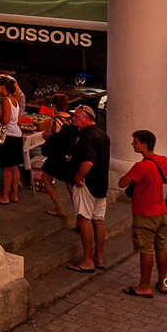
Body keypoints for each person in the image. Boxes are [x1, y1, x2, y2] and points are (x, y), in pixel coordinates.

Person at [120, 130, 167, 298]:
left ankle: (144, 286)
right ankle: (162, 283)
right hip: (161, 211)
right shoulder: (163, 161)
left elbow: (122, 183)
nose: (133, 144)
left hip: (144, 214)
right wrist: (165, 180)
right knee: (161, 246)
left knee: (146, 249)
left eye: (135, 142)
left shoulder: (141, 166)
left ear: (144, 145)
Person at [68, 102, 111, 273]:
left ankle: (87, 260)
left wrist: (78, 178)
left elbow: (87, 161)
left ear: (86, 118)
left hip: (88, 184)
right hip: (102, 184)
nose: (74, 119)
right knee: (98, 220)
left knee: (84, 218)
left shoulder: (87, 136)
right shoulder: (103, 134)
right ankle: (98, 257)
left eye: (77, 117)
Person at [38, 106, 78, 225]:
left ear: (54, 106)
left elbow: (46, 136)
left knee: (46, 178)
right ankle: (79, 216)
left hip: (56, 155)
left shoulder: (54, 121)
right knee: (70, 187)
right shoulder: (73, 120)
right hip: (69, 155)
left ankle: (59, 208)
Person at [0, 74, 25, 205]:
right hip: (17, 136)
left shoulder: (5, 101)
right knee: (15, 168)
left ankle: (5, 196)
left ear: (3, 87)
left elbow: (5, 120)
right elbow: (19, 120)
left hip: (8, 137)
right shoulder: (15, 100)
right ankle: (14, 194)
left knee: (6, 169)